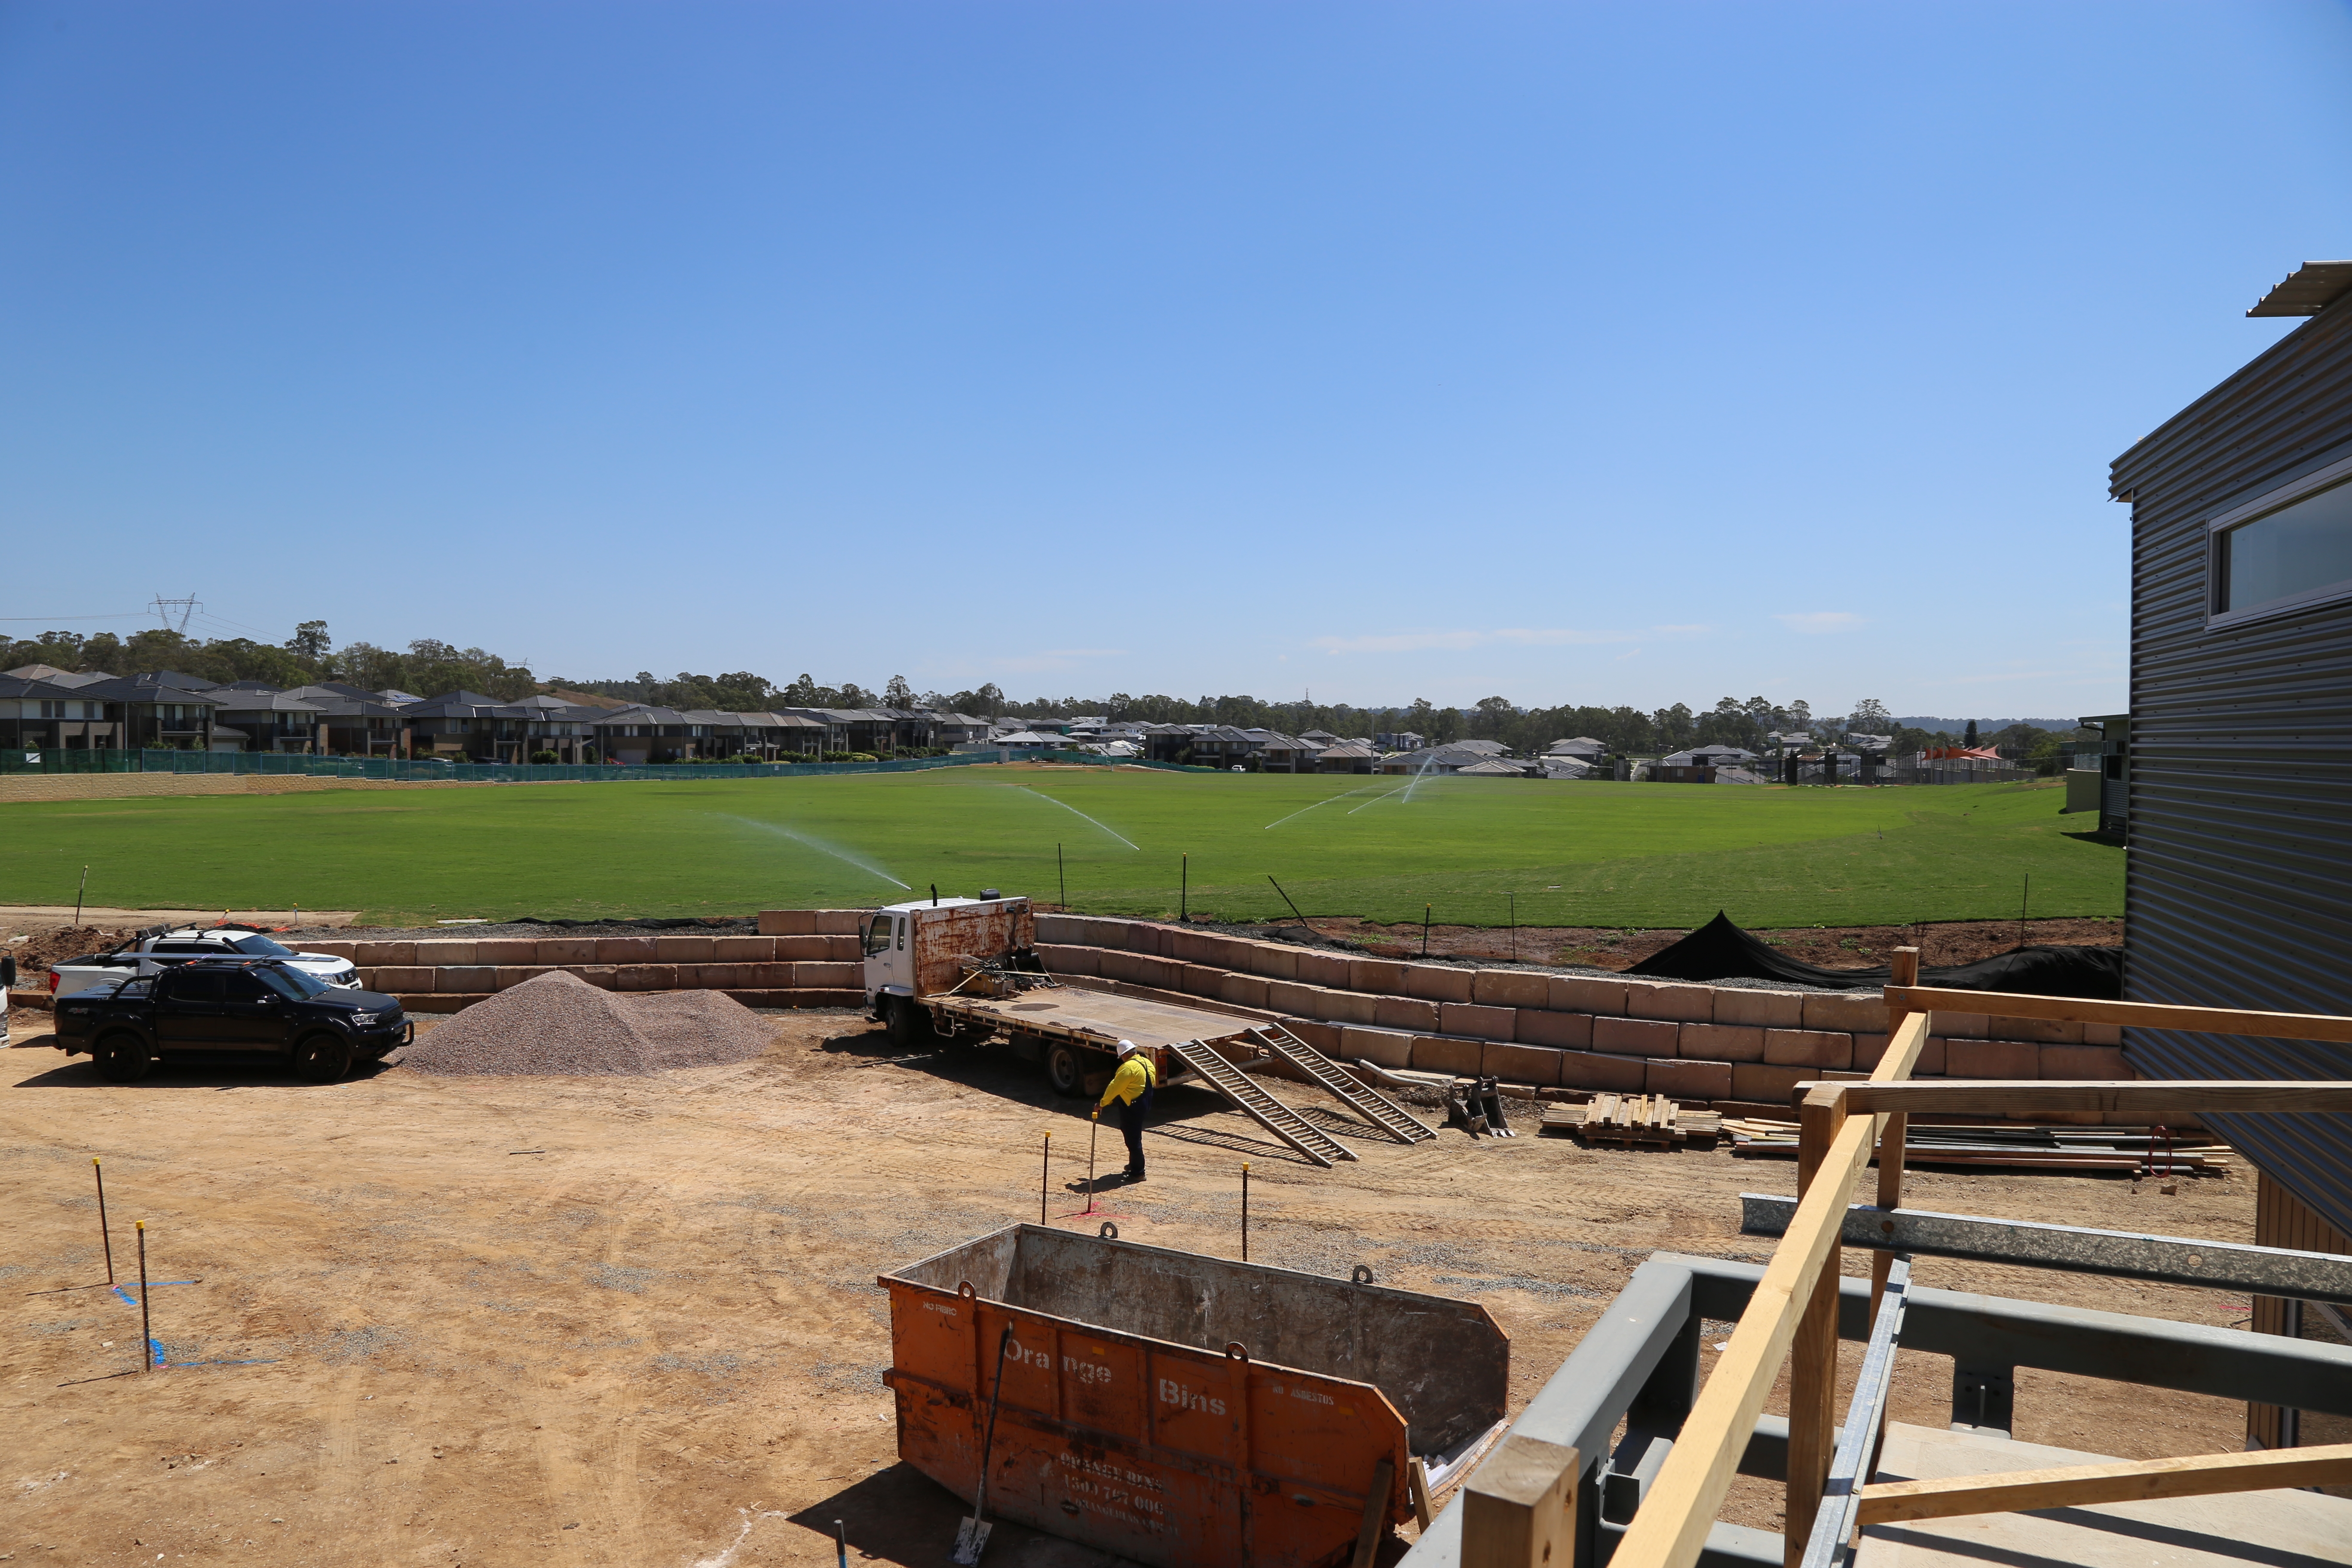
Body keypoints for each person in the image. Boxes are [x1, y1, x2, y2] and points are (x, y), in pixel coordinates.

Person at [1096, 1038, 1158, 1184]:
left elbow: (1115, 1087)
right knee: (1130, 1133)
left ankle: (1138, 1173)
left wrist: (1102, 1103)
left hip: (1133, 1107)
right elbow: (1152, 1081)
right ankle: (1134, 1164)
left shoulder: (1128, 1068)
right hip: (1144, 1103)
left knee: (1133, 1139)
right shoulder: (1147, 1062)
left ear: (1124, 1055)